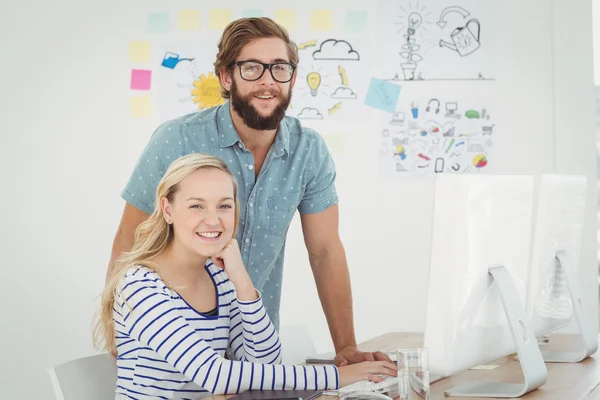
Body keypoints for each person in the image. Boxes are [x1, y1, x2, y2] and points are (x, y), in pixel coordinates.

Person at [108, 16, 390, 365]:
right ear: (227, 76)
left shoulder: (308, 151)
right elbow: (129, 237)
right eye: (253, 68)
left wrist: (346, 348)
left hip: (255, 345)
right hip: (177, 341)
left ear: (293, 77)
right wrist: (119, 334)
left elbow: (325, 251)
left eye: (279, 68)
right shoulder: (178, 139)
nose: (268, 81)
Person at [94, 154, 398, 399]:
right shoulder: (141, 285)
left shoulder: (218, 277)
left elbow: (265, 364)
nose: (213, 219)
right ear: (167, 210)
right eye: (196, 205)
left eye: (224, 206)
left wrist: (242, 281)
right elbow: (214, 375)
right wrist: (337, 376)